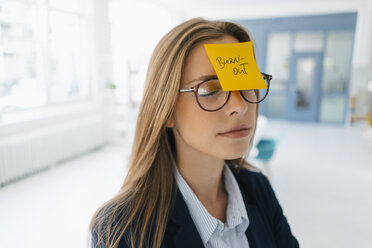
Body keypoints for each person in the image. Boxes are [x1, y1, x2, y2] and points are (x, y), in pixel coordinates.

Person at [89, 17, 299, 248]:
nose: (240, 106)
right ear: (167, 110)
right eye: (210, 90)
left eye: (246, 84)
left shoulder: (258, 189)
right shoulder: (121, 229)